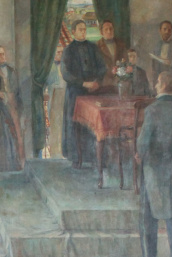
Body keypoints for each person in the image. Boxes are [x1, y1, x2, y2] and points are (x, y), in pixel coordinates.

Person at [133, 71, 172, 257]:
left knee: (148, 216)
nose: (155, 85)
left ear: (163, 85)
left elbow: (144, 140)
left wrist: (139, 154)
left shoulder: (153, 109)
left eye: (157, 82)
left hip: (153, 166)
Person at [60, 20, 106, 165]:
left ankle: (93, 157)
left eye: (84, 29)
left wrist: (97, 82)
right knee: (76, 124)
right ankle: (76, 157)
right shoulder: (68, 50)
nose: (83, 32)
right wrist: (82, 83)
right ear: (73, 32)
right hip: (75, 92)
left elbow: (102, 67)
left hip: (93, 91)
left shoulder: (93, 48)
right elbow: (65, 73)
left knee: (92, 123)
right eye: (80, 29)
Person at [44, 46, 67, 158]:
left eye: (62, 52)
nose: (60, 54)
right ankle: (55, 153)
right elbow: (44, 83)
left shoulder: (66, 65)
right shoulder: (49, 67)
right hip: (54, 95)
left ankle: (65, 151)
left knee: (65, 124)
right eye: (58, 52)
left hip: (66, 95)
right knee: (55, 124)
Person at [97, 20, 129, 90]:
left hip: (119, 82)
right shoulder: (97, 46)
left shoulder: (121, 45)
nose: (109, 31)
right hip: (104, 83)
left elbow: (126, 62)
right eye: (106, 29)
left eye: (111, 29)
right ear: (101, 32)